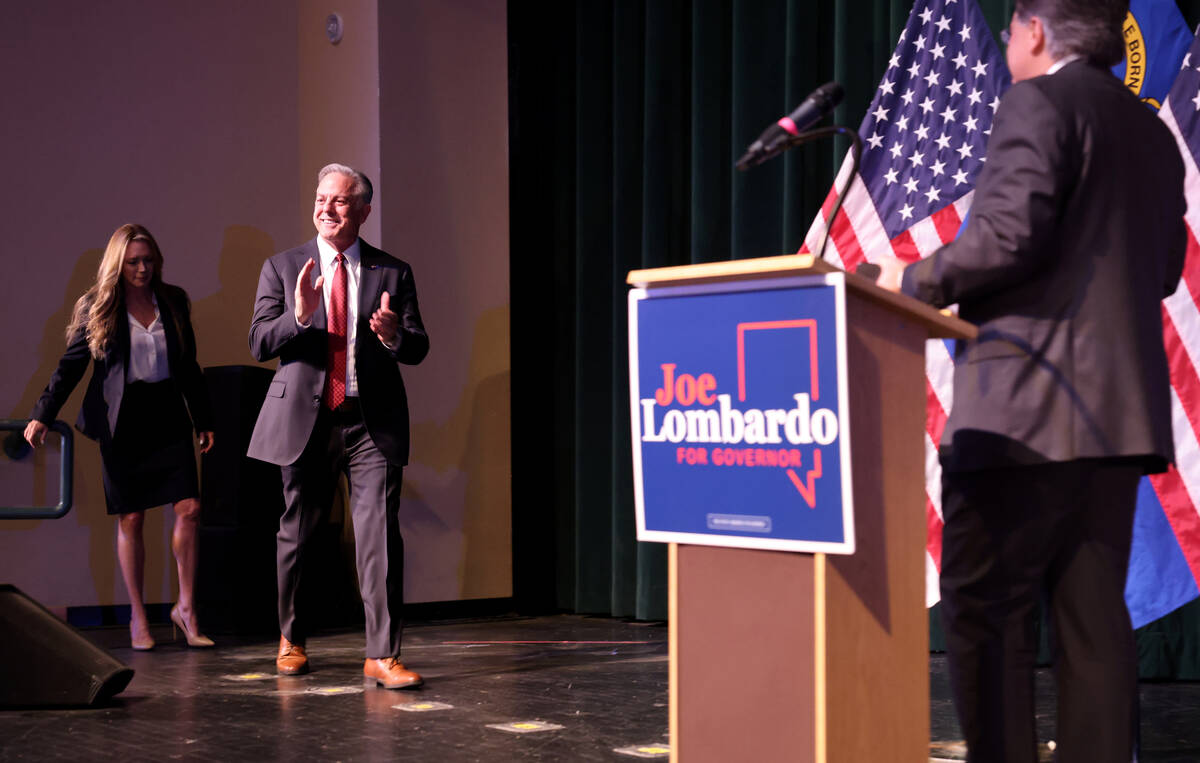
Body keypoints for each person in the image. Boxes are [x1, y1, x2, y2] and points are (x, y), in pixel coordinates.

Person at [876, 1, 1186, 760]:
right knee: (1091, 623)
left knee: (988, 615)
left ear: (1035, 32)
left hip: (1021, 415)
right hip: (1117, 420)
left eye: (1012, 30)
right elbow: (1167, 267)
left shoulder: (1035, 101)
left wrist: (906, 280)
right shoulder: (1151, 132)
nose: (1010, 44)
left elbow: (1007, 236)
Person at [247, 163, 429, 689]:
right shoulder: (283, 267)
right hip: (307, 419)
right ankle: (291, 639)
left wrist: (394, 335)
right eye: (321, 198)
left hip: (370, 423)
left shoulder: (391, 272)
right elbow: (259, 342)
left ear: (364, 211)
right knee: (299, 533)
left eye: (341, 201)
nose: (327, 208)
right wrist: (299, 316)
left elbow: (418, 346)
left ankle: (382, 654)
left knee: (379, 536)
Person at [25, 223, 217, 651]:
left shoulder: (173, 301)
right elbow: (69, 366)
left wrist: (203, 419)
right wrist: (42, 414)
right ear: (118, 264)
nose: (143, 268)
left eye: (149, 260)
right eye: (133, 262)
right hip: (123, 420)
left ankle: (186, 608)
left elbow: (188, 364)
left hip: (168, 413)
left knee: (189, 507)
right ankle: (137, 616)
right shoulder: (98, 306)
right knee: (131, 518)